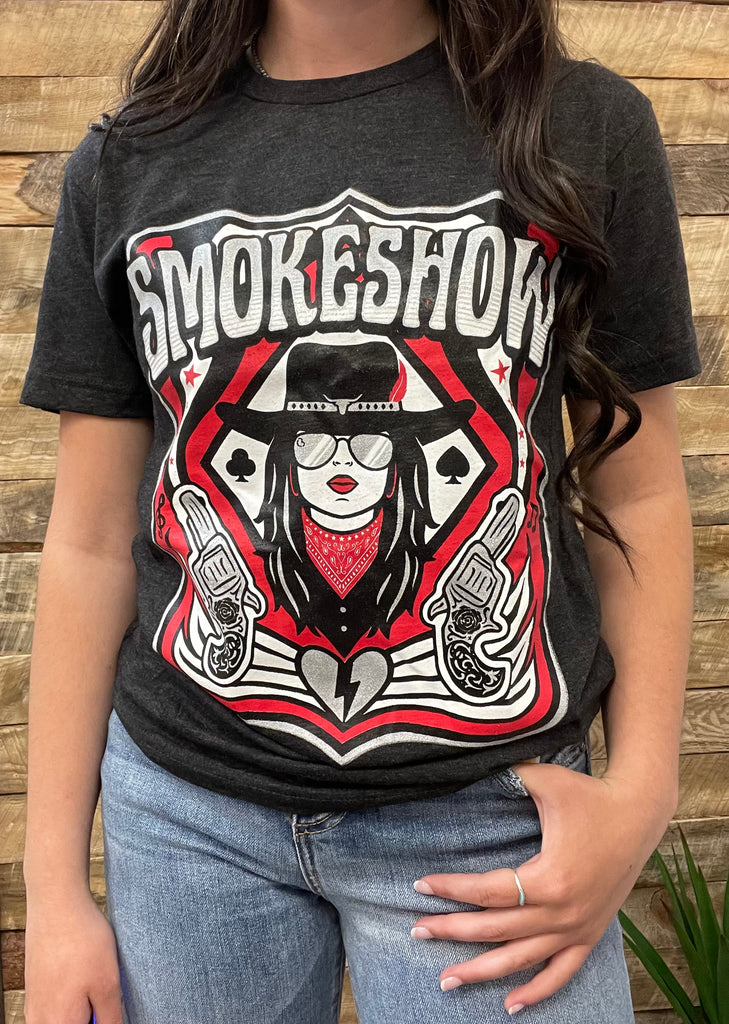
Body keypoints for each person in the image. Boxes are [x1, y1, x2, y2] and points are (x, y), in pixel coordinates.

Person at [19, 0, 701, 1021]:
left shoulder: (584, 126)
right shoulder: (129, 159)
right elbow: (86, 543)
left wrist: (643, 794)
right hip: (187, 824)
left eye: (371, 439)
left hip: (490, 819)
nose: (341, 460)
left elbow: (637, 489)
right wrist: (53, 891)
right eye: (316, 440)